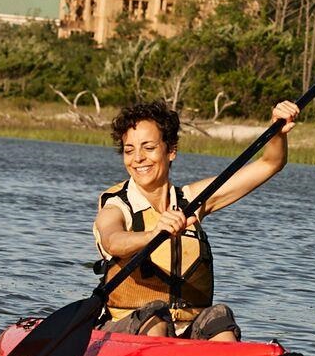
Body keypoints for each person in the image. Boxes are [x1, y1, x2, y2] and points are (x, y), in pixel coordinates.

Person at [93, 100, 299, 340]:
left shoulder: (191, 201)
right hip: (128, 329)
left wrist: (276, 130)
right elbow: (112, 241)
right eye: (129, 150)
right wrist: (153, 233)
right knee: (155, 317)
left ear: (171, 151)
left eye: (148, 147)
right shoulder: (116, 204)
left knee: (220, 318)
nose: (138, 158)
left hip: (187, 334)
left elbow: (270, 163)